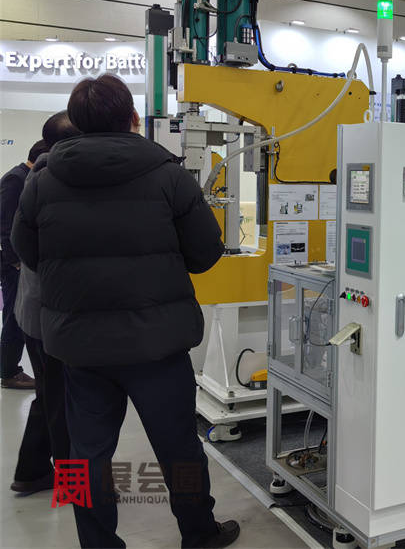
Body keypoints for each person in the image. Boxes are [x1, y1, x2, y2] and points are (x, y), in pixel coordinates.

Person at [12, 75, 238, 548]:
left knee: (83, 455)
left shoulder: (42, 180)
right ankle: (199, 533)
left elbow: (27, 252)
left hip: (79, 346)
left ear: (76, 121)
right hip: (157, 342)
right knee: (178, 448)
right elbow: (205, 253)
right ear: (133, 118)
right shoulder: (169, 176)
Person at [10, 115, 80, 495]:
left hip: (36, 311)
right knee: (65, 403)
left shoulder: (39, 176)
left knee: (51, 395)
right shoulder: (55, 180)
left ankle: (31, 470)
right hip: (51, 313)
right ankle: (73, 486)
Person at [0, 141, 48, 390]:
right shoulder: (15, 180)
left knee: (19, 316)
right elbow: (5, 227)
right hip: (14, 265)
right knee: (14, 317)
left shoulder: (26, 178)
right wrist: (16, 262)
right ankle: (9, 372)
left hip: (22, 262)